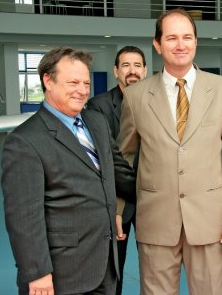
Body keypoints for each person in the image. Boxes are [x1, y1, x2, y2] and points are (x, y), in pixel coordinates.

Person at [117, 8, 222, 295]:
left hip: (209, 221)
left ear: (196, 42)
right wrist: (117, 209)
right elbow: (124, 157)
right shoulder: (136, 95)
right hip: (156, 220)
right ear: (157, 44)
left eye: (187, 37)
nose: (180, 45)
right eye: (172, 38)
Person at [1, 47, 136, 295]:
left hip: (105, 267)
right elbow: (24, 218)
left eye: (86, 82)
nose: (82, 90)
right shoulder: (25, 141)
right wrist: (38, 273)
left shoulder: (96, 122)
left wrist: (163, 192)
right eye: (73, 82)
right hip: (62, 275)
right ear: (48, 81)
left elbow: (119, 173)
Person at [86, 45, 147, 295]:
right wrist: (120, 203)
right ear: (115, 71)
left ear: (144, 70)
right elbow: (105, 160)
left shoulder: (156, 103)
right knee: (114, 271)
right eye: (125, 65)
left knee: (157, 268)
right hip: (115, 201)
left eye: (137, 65)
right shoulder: (97, 107)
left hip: (152, 203)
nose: (131, 71)